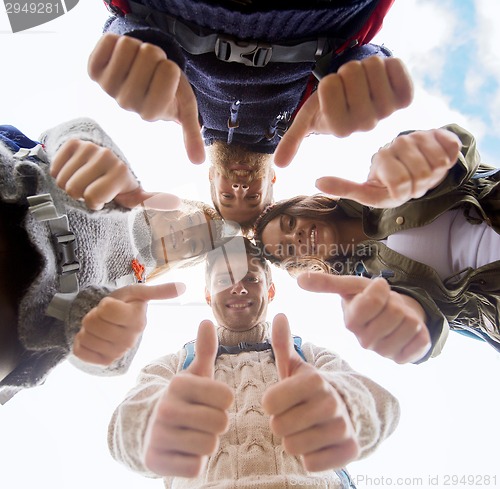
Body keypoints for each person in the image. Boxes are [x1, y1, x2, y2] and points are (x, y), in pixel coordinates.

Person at [88, 0, 413, 228]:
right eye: (254, 196)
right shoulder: (307, 116)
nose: (241, 189)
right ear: (272, 181)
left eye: (227, 196)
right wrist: (363, 73)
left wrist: (134, 44)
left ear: (212, 178)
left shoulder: (176, 103)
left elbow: (127, 19)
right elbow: (353, 51)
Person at [108, 238, 400, 488]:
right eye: (224, 279)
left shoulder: (309, 357)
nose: (239, 288)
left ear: (270, 291)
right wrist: (152, 425)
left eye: (251, 278)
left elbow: (380, 404)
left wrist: (346, 407)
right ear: (208, 294)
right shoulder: (175, 366)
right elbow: (121, 432)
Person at [0, 118, 236, 403]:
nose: (187, 236)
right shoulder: (121, 190)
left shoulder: (135, 291)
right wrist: (84, 149)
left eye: (197, 245)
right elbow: (71, 134)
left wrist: (109, 343)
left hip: (18, 321)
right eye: (194, 222)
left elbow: (111, 359)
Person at [253, 124, 500, 364]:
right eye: (290, 250)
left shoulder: (382, 184)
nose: (296, 236)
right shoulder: (372, 288)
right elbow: (425, 321)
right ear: (301, 264)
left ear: (301, 207)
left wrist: (426, 156)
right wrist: (411, 331)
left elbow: (458, 149)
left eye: (289, 224)